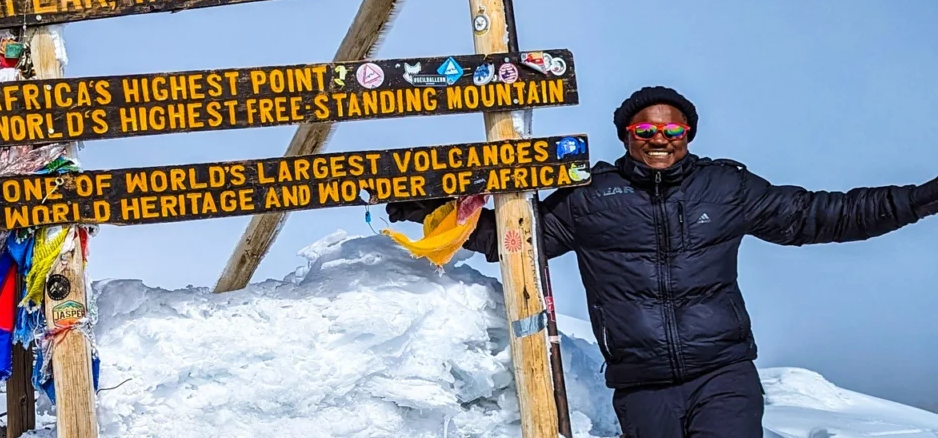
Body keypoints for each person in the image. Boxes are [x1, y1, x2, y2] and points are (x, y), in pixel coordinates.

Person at [387, 86, 938, 438]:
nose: (659, 140)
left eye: (671, 131)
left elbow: (823, 215)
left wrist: (919, 200)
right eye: (644, 131)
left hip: (721, 372)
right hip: (641, 386)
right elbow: (516, 242)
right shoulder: (589, 199)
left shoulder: (726, 187)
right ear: (627, 136)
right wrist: (428, 209)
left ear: (688, 135)